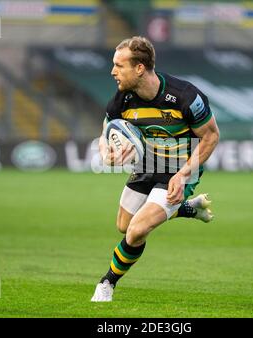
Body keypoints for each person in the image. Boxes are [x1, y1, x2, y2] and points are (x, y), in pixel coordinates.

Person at [91, 36, 220, 302]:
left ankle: (107, 283)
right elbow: (107, 127)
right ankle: (187, 209)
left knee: (137, 230)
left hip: (180, 170)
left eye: (119, 65)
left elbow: (211, 136)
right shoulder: (123, 99)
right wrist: (107, 153)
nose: (112, 71)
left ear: (140, 68)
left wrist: (184, 176)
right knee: (123, 226)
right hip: (148, 166)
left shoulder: (186, 96)